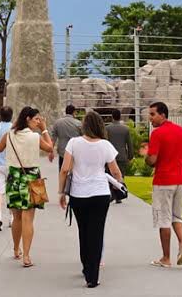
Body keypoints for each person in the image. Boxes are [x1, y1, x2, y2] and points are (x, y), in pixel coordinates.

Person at [58, 111, 123, 288]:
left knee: (84, 231)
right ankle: (92, 276)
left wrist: (61, 192)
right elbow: (115, 171)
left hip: (79, 193)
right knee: (97, 232)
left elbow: (64, 169)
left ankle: (86, 267)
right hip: (100, 193)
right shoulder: (105, 145)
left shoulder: (74, 143)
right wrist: (121, 184)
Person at [0, 107, 54, 268]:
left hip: (14, 176)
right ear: (28, 119)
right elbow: (49, 147)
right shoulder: (35, 137)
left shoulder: (10, 135)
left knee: (17, 217)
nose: (38, 122)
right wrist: (44, 129)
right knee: (28, 218)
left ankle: (15, 249)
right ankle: (26, 256)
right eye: (36, 119)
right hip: (32, 177)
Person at [145, 101, 182, 268]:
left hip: (163, 181)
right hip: (180, 180)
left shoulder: (157, 134)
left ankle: (166, 258)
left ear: (163, 115)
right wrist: (176, 159)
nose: (150, 118)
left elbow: (152, 160)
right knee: (177, 217)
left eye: (152, 114)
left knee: (163, 220)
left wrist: (146, 156)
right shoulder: (181, 131)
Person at [105, 109, 133, 203]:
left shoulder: (107, 128)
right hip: (122, 155)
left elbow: (105, 142)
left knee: (110, 174)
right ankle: (119, 196)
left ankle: (111, 193)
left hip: (110, 156)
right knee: (121, 175)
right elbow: (129, 144)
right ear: (120, 117)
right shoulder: (125, 129)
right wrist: (130, 156)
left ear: (112, 117)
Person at [50, 104, 82, 170]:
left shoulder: (57, 123)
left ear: (66, 112)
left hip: (62, 153)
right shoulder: (78, 123)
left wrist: (50, 152)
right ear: (74, 112)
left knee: (62, 171)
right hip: (75, 153)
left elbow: (53, 139)